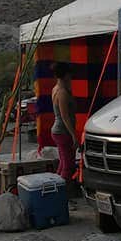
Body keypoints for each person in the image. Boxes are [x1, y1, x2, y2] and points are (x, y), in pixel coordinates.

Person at [51, 61, 78, 189]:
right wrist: (73, 135)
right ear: (66, 75)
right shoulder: (62, 92)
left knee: (63, 162)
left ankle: (57, 189)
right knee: (68, 165)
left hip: (60, 131)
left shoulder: (56, 89)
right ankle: (62, 193)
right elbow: (65, 116)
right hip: (63, 131)